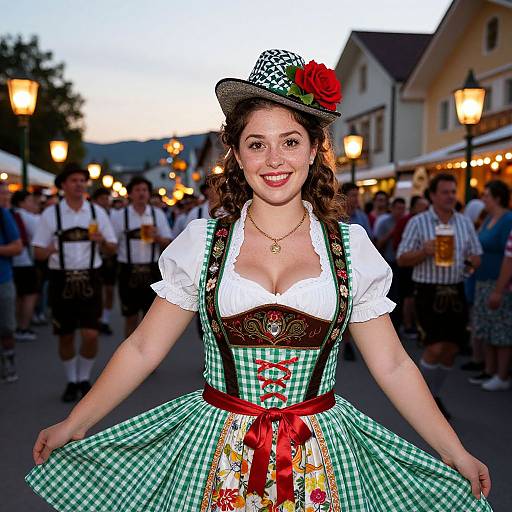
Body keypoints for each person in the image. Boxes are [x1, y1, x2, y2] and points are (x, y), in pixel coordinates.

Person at [26, 50, 492, 511]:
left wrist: (454, 452)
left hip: (318, 455)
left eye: (290, 141)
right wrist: (76, 422)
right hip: (218, 452)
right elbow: (144, 348)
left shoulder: (350, 249)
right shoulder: (202, 243)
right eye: (256, 143)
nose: (274, 159)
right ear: (237, 154)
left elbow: (391, 363)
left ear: (314, 150)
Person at [397, 173, 482, 420]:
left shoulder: (464, 222)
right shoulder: (418, 222)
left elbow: (476, 254)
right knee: (435, 347)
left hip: (455, 288)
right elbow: (402, 258)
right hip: (428, 289)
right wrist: (424, 251)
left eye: (452, 191)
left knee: (452, 349)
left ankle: (433, 394)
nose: (450, 196)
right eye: (445, 192)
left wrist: (471, 264)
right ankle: (422, 402)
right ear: (432, 195)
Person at [32, 164, 117, 402]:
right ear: (63, 185)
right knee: (66, 335)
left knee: (91, 334)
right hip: (62, 280)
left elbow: (113, 248)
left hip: (91, 276)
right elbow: (37, 252)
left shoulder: (96, 213)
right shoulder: (51, 214)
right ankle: (72, 380)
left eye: (82, 180)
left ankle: (84, 378)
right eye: (74, 180)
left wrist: (101, 241)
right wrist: (47, 250)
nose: (79, 184)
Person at [111, 176, 172, 337]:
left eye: (144, 190)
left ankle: (147, 358)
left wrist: (158, 237)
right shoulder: (119, 216)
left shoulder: (157, 214)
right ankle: (129, 357)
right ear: (130, 194)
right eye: (137, 190)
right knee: (130, 317)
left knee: (149, 319)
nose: (141, 193)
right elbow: (112, 244)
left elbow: (168, 242)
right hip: (128, 270)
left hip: (151, 269)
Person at [468, 180, 512, 391]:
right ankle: (490, 369)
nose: (483, 198)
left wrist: (499, 289)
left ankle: (502, 375)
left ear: (497, 197)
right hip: (483, 281)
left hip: (499, 282)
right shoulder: (487, 219)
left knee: (501, 330)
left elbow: (509, 256)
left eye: (486, 195)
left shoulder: (507, 219)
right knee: (487, 327)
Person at [392, 194, 429, 339]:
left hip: (417, 264)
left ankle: (412, 324)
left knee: (410, 296)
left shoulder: (423, 222)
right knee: (407, 296)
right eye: (422, 206)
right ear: (414, 207)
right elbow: (398, 245)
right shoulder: (407, 221)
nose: (425, 209)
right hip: (406, 265)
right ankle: (407, 325)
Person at [10, 191, 41, 341]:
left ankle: (14, 325)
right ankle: (23, 328)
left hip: (11, 261)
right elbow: (39, 233)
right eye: (30, 200)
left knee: (17, 296)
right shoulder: (26, 216)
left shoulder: (10, 214)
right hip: (24, 261)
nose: (33, 204)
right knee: (29, 296)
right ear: (21, 202)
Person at [0, 182, 22, 382]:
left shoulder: (3, 214)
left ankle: (9, 362)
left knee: (6, 327)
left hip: (2, 279)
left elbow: (17, 246)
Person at [374, 197, 406, 328]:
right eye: (398, 208)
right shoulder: (384, 223)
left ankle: (399, 324)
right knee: (391, 295)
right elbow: (377, 244)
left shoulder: (406, 222)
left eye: (403, 209)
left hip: (401, 263)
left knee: (401, 294)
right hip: (388, 262)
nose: (400, 212)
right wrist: (391, 233)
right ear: (392, 208)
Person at [92, 187, 116, 335]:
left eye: (107, 198)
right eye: (102, 199)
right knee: (98, 289)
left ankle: (105, 318)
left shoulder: (115, 215)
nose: (105, 201)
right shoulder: (92, 215)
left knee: (109, 289)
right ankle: (98, 318)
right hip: (95, 256)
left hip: (109, 257)